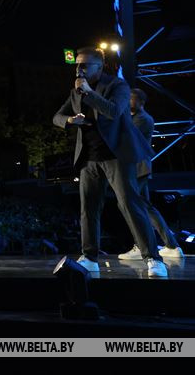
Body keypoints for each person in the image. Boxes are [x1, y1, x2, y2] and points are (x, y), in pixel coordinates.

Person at [52, 48, 167, 277]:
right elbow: (56, 117)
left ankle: (153, 258)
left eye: (84, 65)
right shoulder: (75, 92)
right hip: (89, 158)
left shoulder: (118, 86)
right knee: (88, 209)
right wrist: (70, 120)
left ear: (99, 67)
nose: (79, 69)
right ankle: (89, 257)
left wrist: (88, 92)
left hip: (117, 156)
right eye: (77, 65)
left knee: (130, 205)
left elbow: (113, 111)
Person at [118, 88, 183, 260]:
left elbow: (127, 138)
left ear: (141, 102)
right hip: (138, 167)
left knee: (132, 206)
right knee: (145, 207)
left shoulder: (143, 119)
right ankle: (171, 245)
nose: (128, 101)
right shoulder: (136, 118)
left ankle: (144, 246)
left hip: (138, 168)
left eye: (131, 99)